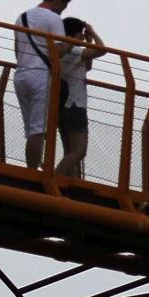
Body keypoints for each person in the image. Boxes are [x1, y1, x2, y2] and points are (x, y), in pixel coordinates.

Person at [13, 0, 70, 169]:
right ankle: (33, 170)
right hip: (41, 75)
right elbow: (59, 51)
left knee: (30, 129)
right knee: (38, 129)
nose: (62, 11)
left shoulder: (21, 17)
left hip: (21, 74)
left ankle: (34, 166)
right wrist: (71, 45)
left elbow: (17, 49)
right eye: (63, 6)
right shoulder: (54, 19)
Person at [56, 16, 105, 178]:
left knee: (70, 151)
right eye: (81, 35)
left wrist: (88, 41)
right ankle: (55, 178)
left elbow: (87, 66)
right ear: (75, 35)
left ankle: (67, 184)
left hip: (63, 105)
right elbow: (101, 50)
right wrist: (92, 32)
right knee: (79, 151)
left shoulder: (63, 51)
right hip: (75, 105)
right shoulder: (75, 50)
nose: (83, 39)